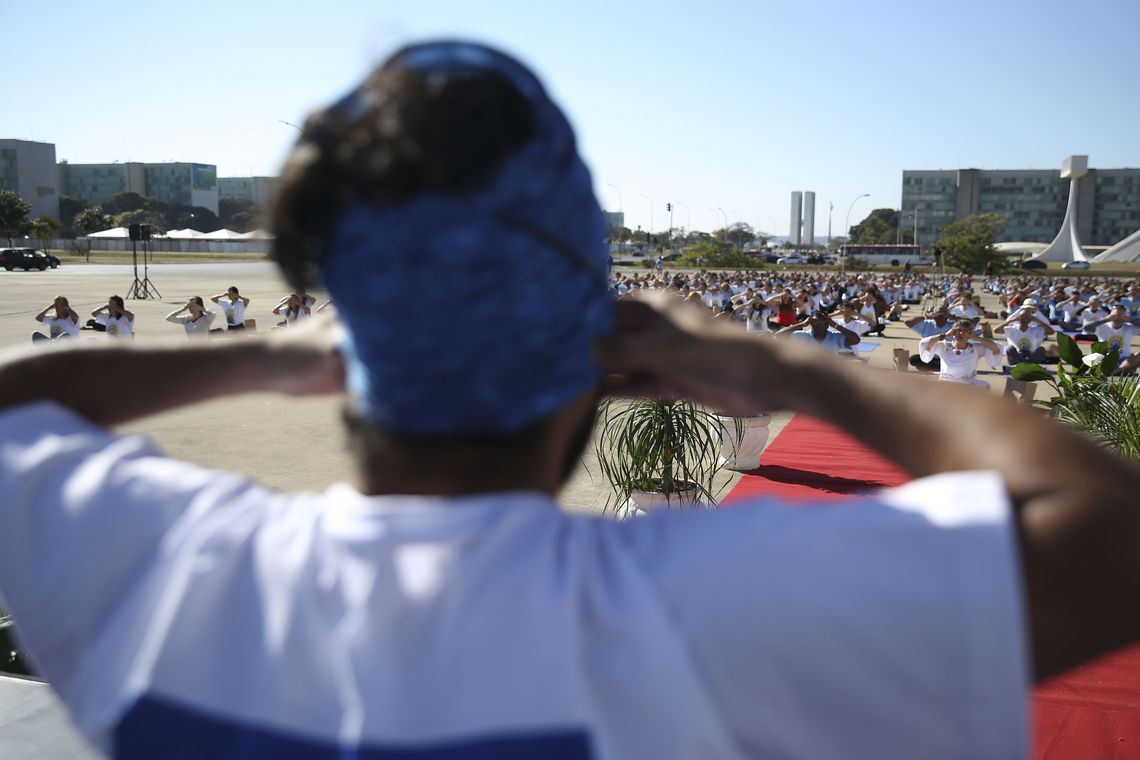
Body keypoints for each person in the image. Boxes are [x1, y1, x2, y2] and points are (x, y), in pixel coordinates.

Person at [2, 40, 1139, 759]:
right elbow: (1115, 535)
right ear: (585, 351)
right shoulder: (713, 624)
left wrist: (263, 355)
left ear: (335, 315)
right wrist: (781, 366)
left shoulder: (166, 581)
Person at [918, 319, 1002, 387]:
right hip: (946, 383)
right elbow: (926, 345)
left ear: (969, 334)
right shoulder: (944, 346)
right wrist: (945, 335)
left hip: (968, 385)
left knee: (985, 386)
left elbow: (996, 349)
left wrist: (976, 338)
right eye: (957, 331)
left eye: (965, 331)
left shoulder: (975, 348)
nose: (960, 333)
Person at [993, 302, 1056, 366]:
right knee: (1010, 349)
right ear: (1018, 318)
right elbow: (995, 330)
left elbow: (1051, 332)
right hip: (1016, 358)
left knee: (1041, 349)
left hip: (1030, 356)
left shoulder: (1034, 330)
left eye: (1027, 317)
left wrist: (1037, 320)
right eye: (1022, 317)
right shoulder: (1012, 329)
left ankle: (1026, 364)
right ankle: (1024, 364)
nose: (1024, 319)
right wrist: (1012, 320)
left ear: (1030, 320)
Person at [777, 310, 861, 353]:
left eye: (823, 321)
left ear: (828, 324)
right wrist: (802, 324)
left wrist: (836, 325)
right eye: (816, 321)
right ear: (811, 323)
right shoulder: (802, 336)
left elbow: (856, 340)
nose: (819, 323)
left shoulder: (835, 337)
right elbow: (779, 335)